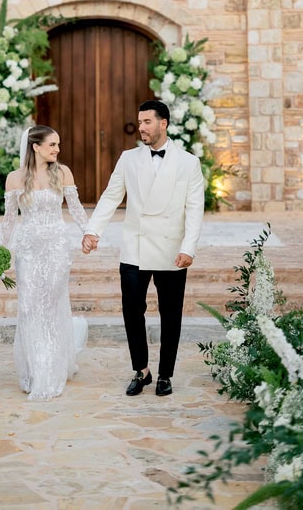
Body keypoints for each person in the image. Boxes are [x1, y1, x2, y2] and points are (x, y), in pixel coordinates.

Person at [82, 99, 204, 397]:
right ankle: (142, 370)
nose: (142, 128)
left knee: (170, 314)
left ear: (163, 123)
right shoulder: (128, 158)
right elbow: (111, 196)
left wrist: (189, 247)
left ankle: (165, 375)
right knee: (132, 311)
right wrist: (93, 230)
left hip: (171, 249)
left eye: (147, 122)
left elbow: (194, 209)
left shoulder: (188, 162)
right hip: (134, 247)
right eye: (140, 122)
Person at [2, 124, 89, 401]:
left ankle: (50, 371)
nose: (57, 149)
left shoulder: (62, 173)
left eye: (58, 144)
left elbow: (75, 207)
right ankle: (32, 370)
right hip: (28, 249)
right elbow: (9, 220)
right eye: (52, 144)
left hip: (56, 247)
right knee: (29, 307)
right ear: (35, 147)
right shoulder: (14, 179)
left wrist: (89, 233)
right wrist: (1, 252)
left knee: (51, 304)